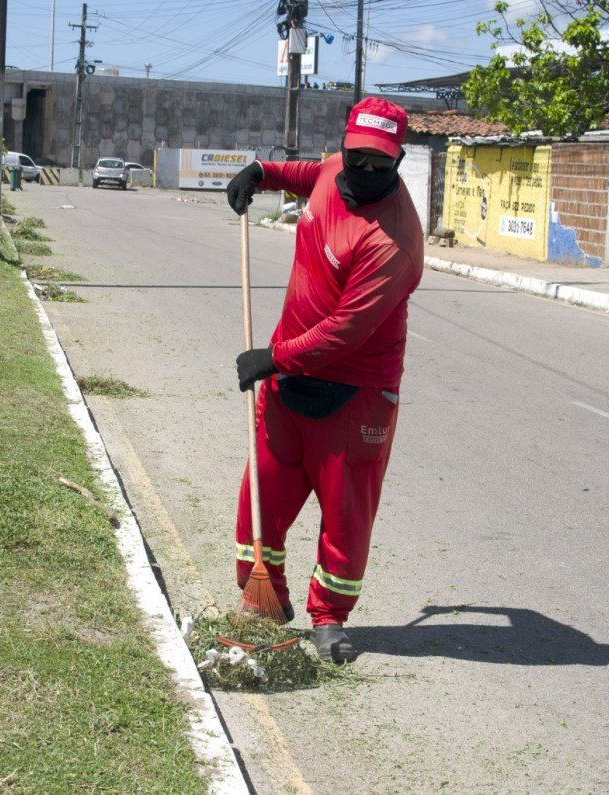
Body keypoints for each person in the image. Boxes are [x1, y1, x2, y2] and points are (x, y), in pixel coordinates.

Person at [224, 97, 424, 662]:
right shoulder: (336, 169)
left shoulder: (395, 243)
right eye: (356, 157)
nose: (362, 172)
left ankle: (329, 617)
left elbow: (343, 334)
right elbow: (310, 175)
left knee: (345, 513)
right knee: (261, 496)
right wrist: (263, 173)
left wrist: (274, 358)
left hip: (354, 394)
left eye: (378, 164)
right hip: (290, 376)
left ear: (399, 159)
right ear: (345, 144)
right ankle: (266, 598)